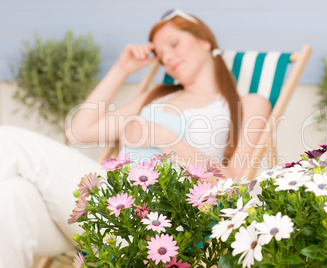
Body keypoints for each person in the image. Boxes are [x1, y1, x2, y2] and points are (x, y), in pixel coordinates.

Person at [0, 9, 271, 268]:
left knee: (8, 139)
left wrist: (164, 137)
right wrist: (121, 69)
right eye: (162, 56)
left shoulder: (247, 103)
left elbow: (237, 186)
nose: (169, 58)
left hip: (157, 224)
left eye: (174, 44)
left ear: (203, 40)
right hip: (109, 219)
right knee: (11, 196)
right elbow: (78, 132)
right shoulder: (158, 94)